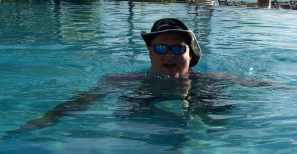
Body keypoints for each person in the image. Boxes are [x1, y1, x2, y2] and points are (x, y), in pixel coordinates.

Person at [8, 18, 274, 133]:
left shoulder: (209, 81)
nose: (168, 54)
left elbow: (258, 84)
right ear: (149, 52)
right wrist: (47, 118)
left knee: (218, 122)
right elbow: (82, 101)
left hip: (196, 98)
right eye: (160, 47)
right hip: (145, 104)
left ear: (190, 55)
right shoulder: (121, 81)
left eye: (177, 48)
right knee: (130, 117)